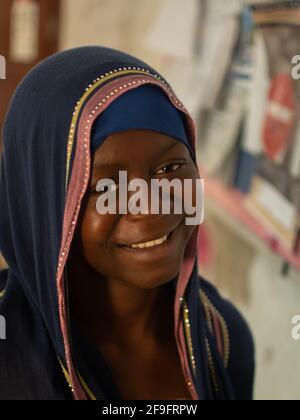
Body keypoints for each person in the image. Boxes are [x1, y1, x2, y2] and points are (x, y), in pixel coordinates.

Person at [0, 46, 255, 400]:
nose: (151, 205)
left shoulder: (220, 338)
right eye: (107, 186)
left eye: (169, 169)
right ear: (43, 204)